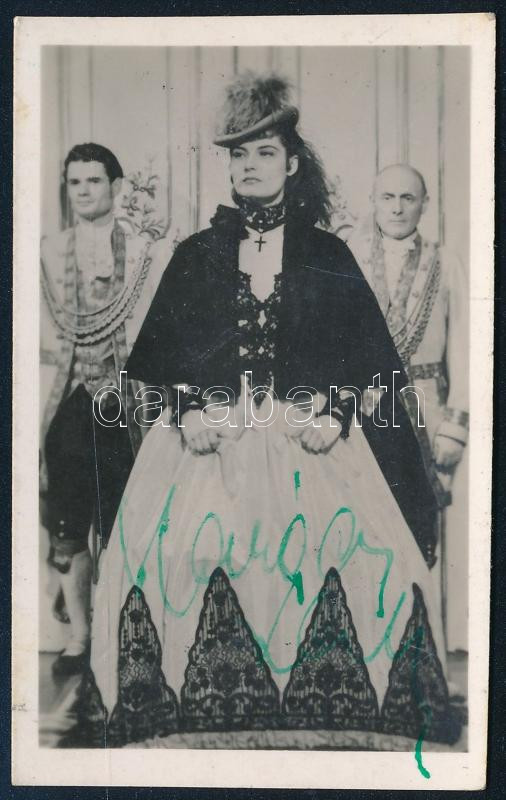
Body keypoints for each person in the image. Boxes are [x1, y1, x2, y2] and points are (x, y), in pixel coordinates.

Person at [69, 76, 460, 749]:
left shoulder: (327, 253)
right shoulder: (196, 254)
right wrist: (186, 411)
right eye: (239, 155)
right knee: (190, 553)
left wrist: (337, 413)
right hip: (207, 441)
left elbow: (365, 353)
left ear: (292, 163)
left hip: (310, 438)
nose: (250, 165)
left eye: (265, 153)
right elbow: (161, 355)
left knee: (344, 558)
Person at [40, 143, 165, 676]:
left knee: (123, 517)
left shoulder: (143, 252)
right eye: (75, 182)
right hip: (69, 400)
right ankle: (79, 638)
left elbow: (158, 328)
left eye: (94, 181)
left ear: (115, 186)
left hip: (126, 402)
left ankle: (123, 635)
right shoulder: (47, 252)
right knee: (67, 521)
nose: (84, 191)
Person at [347, 165, 469, 648]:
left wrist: (456, 425)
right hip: (365, 411)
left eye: (408, 198)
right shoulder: (350, 257)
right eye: (387, 197)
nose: (397, 208)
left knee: (421, 526)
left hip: (425, 412)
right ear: (373, 201)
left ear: (424, 204)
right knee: (364, 528)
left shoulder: (445, 261)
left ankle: (423, 646)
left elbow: (465, 345)